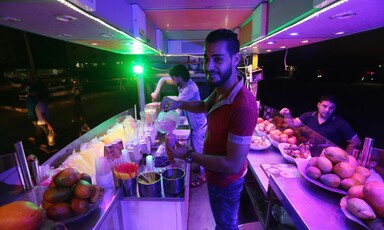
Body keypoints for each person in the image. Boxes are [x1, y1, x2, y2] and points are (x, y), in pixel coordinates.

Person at [161, 29, 258, 230]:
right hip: (215, 176)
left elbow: (232, 164)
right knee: (221, 222)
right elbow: (204, 105)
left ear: (235, 59)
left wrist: (188, 154)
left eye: (217, 59)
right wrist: (178, 104)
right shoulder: (223, 89)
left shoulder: (243, 105)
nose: (209, 67)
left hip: (226, 182)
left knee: (226, 225)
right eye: (206, 59)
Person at [151, 64, 207, 187]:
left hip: (198, 126)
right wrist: (157, 91)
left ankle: (203, 176)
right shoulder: (184, 83)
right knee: (196, 148)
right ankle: (200, 167)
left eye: (173, 78)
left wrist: (162, 106)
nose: (172, 80)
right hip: (195, 125)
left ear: (179, 77)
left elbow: (176, 103)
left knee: (199, 150)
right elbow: (163, 79)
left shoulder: (189, 89)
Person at [280, 94, 361, 154]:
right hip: (304, 152)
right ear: (318, 105)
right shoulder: (308, 115)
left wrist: (345, 157)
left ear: (334, 108)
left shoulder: (341, 123)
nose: (327, 110)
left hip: (325, 159)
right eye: (324, 106)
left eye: (331, 108)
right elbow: (292, 124)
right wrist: (287, 115)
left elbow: (356, 142)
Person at [35, 84, 56, 152]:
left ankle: (42, 147)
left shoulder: (37, 105)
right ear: (43, 98)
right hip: (44, 123)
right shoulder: (42, 105)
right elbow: (43, 115)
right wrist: (48, 124)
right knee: (50, 137)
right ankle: (51, 149)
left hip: (39, 123)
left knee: (42, 136)